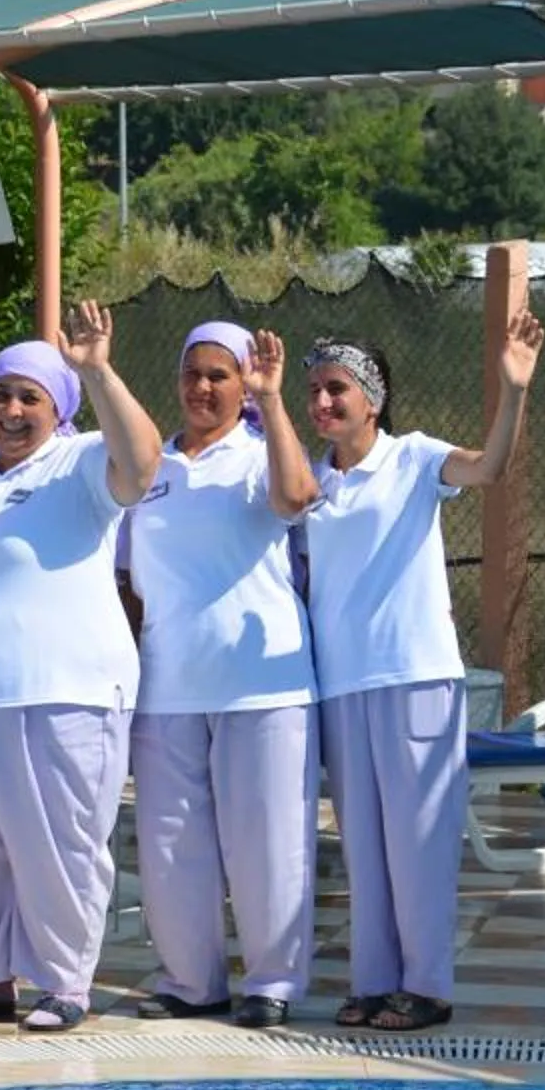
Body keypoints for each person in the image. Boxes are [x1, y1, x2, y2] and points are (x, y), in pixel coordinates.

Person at [0, 308, 159, 1034]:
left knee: (59, 844)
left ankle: (64, 983)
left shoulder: (81, 460)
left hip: (64, 690)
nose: (11, 412)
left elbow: (143, 462)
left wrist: (96, 369)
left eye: (29, 398)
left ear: (59, 408)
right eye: (0, 396)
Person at [303, 313, 542, 1034]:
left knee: (419, 841)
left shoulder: (411, 458)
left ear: (371, 399)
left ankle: (428, 987)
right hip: (342, 684)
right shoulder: (309, 479)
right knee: (365, 845)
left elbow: (488, 467)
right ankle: (375, 982)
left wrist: (514, 390)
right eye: (312, 391)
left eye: (336, 389)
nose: (321, 403)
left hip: (414, 677)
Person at [119, 323, 320, 1031]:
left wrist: (275, 400)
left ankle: (274, 982)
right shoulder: (150, 469)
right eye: (192, 374)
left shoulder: (261, 455)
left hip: (262, 686)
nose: (203, 388)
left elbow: (297, 498)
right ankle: (191, 980)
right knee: (172, 843)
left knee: (267, 839)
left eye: (220, 377)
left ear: (243, 386)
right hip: (169, 684)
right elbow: (125, 579)